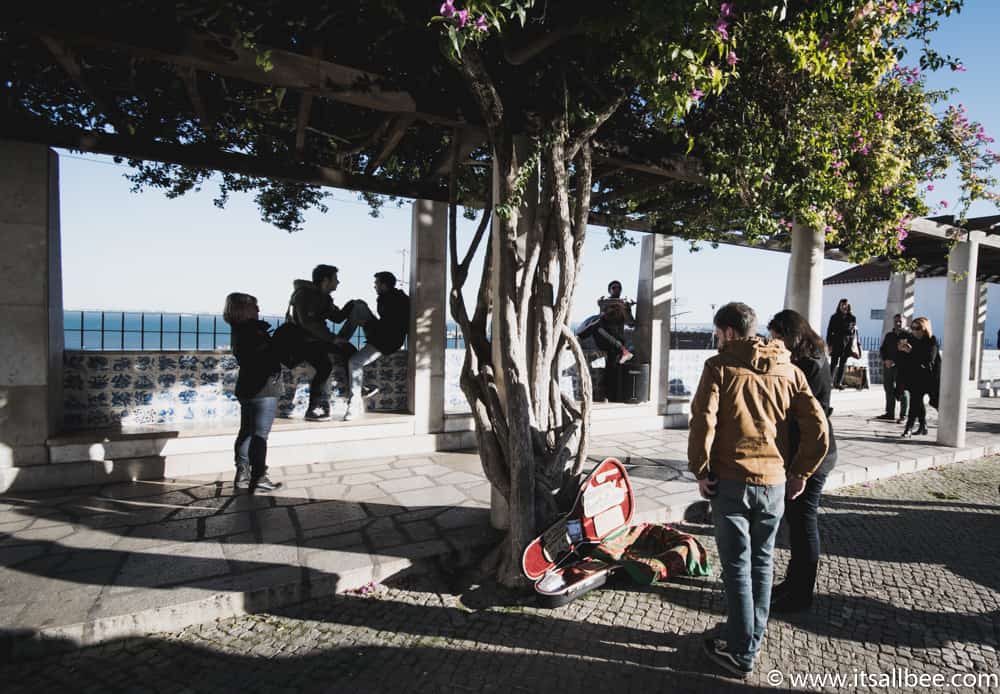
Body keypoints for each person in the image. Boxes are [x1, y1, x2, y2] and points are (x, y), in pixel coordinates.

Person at [689, 302, 828, 679]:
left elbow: (703, 421)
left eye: (718, 334)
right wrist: (802, 471)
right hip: (775, 482)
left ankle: (741, 650)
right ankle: (750, 637)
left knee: (736, 567)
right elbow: (819, 428)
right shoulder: (790, 368)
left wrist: (700, 470)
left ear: (730, 333)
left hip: (732, 480)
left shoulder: (719, 367)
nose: (717, 341)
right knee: (762, 563)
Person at [766, 309, 838, 614]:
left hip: (811, 454)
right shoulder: (814, 356)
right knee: (797, 523)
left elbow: (806, 418)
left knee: (804, 524)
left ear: (792, 335)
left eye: (778, 337)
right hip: (809, 450)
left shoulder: (806, 364)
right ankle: (794, 584)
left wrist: (800, 471)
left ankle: (801, 594)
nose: (774, 343)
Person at [223, 293, 284, 493]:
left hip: (246, 386)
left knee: (246, 431)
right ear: (244, 309)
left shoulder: (238, 330)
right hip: (263, 388)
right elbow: (267, 356)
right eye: (255, 306)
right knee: (260, 436)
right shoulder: (253, 331)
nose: (258, 310)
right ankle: (259, 477)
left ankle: (242, 473)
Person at [280, 264, 354, 421]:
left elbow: (337, 317)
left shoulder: (324, 297)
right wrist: (333, 338)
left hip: (316, 339)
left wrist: (352, 305)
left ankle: (358, 388)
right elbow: (307, 323)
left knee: (348, 349)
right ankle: (314, 408)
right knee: (324, 365)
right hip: (300, 341)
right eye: (335, 279)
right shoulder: (303, 294)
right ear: (326, 280)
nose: (338, 282)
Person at [337, 271, 410, 421]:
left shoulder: (393, 300)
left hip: (386, 341)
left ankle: (354, 403)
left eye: (377, 283)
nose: (374, 286)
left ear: (384, 285)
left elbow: (393, 325)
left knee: (354, 362)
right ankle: (341, 339)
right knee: (359, 305)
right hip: (381, 335)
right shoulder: (392, 297)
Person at [897, 316, 939, 438]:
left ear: (925, 328)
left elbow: (928, 360)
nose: (915, 330)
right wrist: (901, 350)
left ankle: (948, 421)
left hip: (931, 377)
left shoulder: (932, 340)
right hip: (916, 376)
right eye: (913, 328)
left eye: (918, 328)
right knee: (916, 402)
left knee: (935, 402)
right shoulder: (911, 339)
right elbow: (907, 360)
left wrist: (911, 352)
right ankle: (911, 427)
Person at [878, 314, 911, 423]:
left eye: (900, 321)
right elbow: (882, 349)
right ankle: (889, 413)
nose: (898, 323)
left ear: (905, 322)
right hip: (888, 367)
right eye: (896, 321)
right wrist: (885, 360)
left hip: (902, 368)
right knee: (888, 389)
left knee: (903, 390)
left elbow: (910, 353)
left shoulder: (908, 336)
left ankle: (904, 415)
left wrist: (895, 361)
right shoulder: (889, 335)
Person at [825, 298, 856, 389]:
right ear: (839, 306)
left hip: (847, 344)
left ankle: (838, 383)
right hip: (836, 342)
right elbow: (829, 331)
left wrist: (852, 345)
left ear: (848, 306)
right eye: (842, 305)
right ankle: (829, 382)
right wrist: (829, 344)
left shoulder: (852, 318)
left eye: (845, 305)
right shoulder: (834, 317)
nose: (844, 307)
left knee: (843, 363)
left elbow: (853, 332)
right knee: (834, 363)